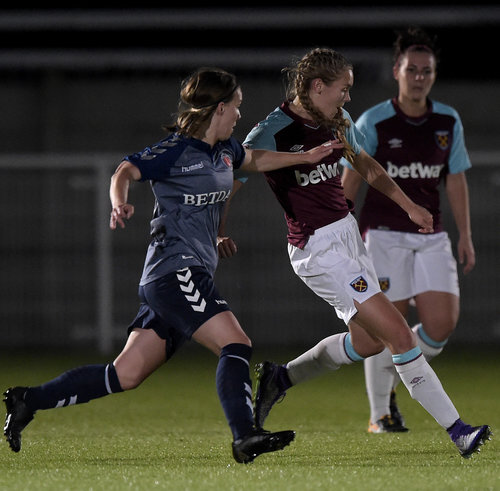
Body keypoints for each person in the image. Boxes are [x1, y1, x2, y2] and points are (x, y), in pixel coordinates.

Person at [2, 67, 338, 464]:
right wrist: (119, 201)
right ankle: (244, 435)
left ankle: (28, 400)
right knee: (236, 343)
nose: (238, 115)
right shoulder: (175, 151)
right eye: (236, 107)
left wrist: (304, 157)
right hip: (174, 272)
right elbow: (124, 171)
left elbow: (256, 159)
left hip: (176, 278)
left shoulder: (226, 149)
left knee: (124, 375)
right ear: (218, 108)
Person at [221, 47, 491, 458]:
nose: (348, 98)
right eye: (343, 90)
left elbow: (368, 168)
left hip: (349, 237)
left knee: (368, 344)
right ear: (317, 86)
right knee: (399, 332)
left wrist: (410, 205)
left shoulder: (337, 120)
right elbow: (228, 182)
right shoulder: (272, 131)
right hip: (318, 249)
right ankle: (459, 431)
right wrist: (217, 230)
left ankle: (281, 378)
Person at [340, 27, 477, 434]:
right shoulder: (374, 120)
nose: (419, 77)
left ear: (433, 74)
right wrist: (343, 233)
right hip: (381, 234)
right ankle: (380, 413)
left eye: (427, 70)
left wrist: (465, 235)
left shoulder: (446, 121)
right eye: (412, 69)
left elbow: (455, 178)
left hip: (430, 235)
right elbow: (352, 176)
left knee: (441, 325)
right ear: (397, 71)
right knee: (386, 326)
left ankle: (402, 368)